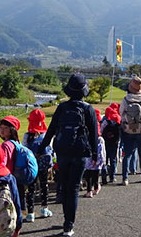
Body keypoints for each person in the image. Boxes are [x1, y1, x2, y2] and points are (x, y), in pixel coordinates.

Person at [38, 73, 99, 237]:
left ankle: (67, 220)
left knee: (65, 187)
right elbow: (94, 134)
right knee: (74, 188)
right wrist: (95, 154)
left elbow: (50, 131)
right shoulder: (88, 109)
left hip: (62, 151)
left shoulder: (62, 108)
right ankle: (68, 225)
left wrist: (41, 149)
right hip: (80, 152)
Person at [119, 76, 141, 185]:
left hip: (128, 129)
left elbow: (121, 113)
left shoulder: (126, 99)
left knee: (127, 154)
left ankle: (125, 178)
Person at [22, 109, 53, 222]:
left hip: (31, 166)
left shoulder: (27, 136)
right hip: (44, 165)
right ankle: (44, 208)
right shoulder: (46, 135)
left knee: (31, 189)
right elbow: (50, 150)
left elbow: (24, 150)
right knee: (44, 186)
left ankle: (30, 213)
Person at [0, 115, 26, 214]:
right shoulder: (17, 142)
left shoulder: (6, 145)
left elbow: (3, 163)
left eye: (6, 128)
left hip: (9, 177)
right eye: (1, 127)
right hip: (17, 176)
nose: (2, 130)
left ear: (12, 130)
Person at [100, 106, 121, 184]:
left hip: (105, 143)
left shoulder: (105, 122)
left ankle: (104, 177)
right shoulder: (118, 124)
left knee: (104, 161)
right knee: (113, 160)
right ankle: (112, 177)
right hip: (114, 144)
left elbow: (101, 131)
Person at [83, 133, 106, 198]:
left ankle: (89, 191)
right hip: (98, 160)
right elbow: (103, 151)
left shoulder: (87, 137)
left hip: (89, 159)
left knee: (88, 175)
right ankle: (96, 188)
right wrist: (104, 161)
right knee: (95, 175)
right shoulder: (100, 139)